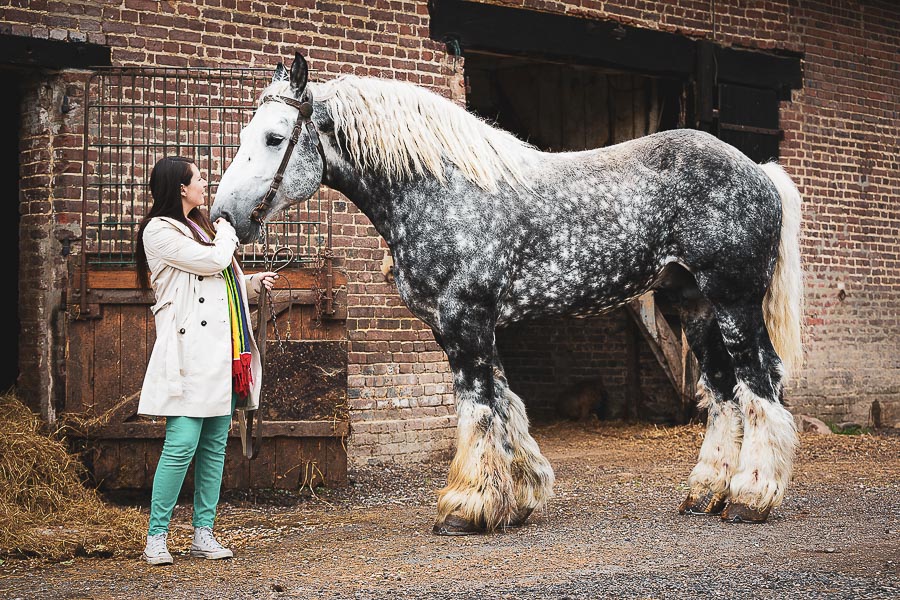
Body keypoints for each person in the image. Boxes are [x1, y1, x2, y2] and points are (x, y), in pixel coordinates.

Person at [134, 156, 278, 565]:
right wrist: (229, 232)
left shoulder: (201, 228)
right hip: (188, 354)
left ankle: (203, 533)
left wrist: (250, 283)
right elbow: (212, 261)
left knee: (214, 447)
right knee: (180, 446)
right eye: (198, 178)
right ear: (180, 187)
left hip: (221, 352)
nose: (205, 184)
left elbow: (221, 280)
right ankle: (157, 537)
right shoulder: (159, 231)